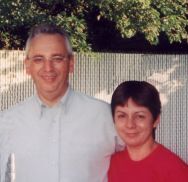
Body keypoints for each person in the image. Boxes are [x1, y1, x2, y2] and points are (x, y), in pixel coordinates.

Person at [0, 24, 118, 182]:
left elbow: (142, 163)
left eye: (57, 58)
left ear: (71, 63)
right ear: (27, 66)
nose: (48, 68)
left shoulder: (106, 116)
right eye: (38, 59)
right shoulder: (7, 121)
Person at [108, 81, 188, 182]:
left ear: (155, 120)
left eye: (140, 116)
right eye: (122, 116)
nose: (130, 124)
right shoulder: (112, 163)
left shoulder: (175, 170)